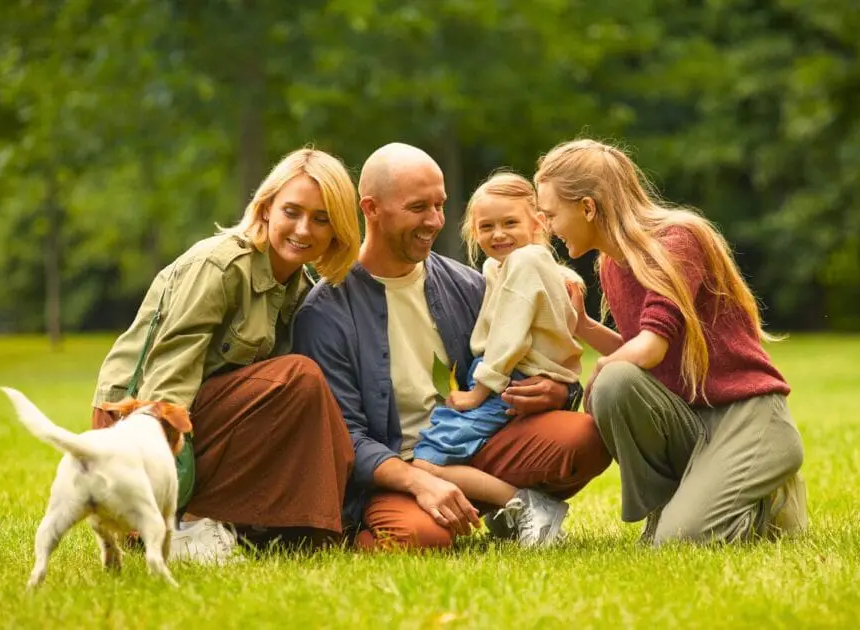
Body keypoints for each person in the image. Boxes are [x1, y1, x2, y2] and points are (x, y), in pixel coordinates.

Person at [293, 143, 611, 549]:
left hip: (474, 445)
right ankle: (390, 524)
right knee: (422, 538)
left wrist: (559, 390)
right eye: (418, 208)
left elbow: (530, 351)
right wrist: (417, 481)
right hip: (397, 470)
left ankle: (505, 509)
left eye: (439, 206)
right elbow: (346, 436)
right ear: (370, 208)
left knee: (585, 438)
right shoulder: (326, 312)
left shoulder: (467, 285)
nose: (434, 221)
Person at [533, 138, 808, 545]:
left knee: (682, 541)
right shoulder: (611, 265)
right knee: (617, 384)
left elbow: (650, 348)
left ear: (588, 207)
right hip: (689, 419)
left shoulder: (676, 240)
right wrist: (585, 327)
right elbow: (644, 357)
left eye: (551, 214)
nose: (547, 227)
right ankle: (668, 508)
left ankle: (768, 498)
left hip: (745, 414)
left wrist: (596, 375)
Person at [91, 147, 360, 562]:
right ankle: (182, 524)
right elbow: (167, 375)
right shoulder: (222, 265)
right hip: (139, 419)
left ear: (337, 230)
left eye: (321, 218)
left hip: (206, 413)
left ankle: (297, 528)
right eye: (292, 211)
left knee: (321, 405)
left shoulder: (301, 288)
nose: (304, 229)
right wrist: (156, 478)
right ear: (266, 208)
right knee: (298, 377)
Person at [410, 172, 586, 547]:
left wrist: (478, 392)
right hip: (505, 376)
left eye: (510, 223)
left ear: (538, 221)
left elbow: (509, 336)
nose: (498, 234)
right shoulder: (499, 267)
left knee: (426, 462)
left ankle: (524, 506)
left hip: (510, 378)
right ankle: (510, 511)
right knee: (443, 447)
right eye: (486, 226)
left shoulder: (524, 262)